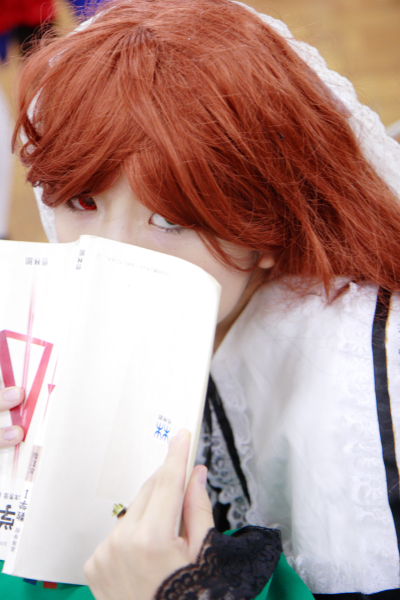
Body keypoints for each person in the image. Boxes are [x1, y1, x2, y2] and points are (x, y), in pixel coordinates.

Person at [1, 0, 400, 597]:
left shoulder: (374, 387)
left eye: (170, 219)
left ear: (267, 226)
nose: (110, 253)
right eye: (83, 201)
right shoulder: (51, 331)